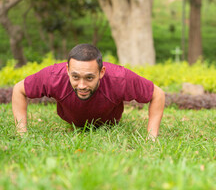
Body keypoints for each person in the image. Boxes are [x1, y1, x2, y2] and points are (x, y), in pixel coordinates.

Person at [12, 44, 165, 139]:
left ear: (102, 72)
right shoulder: (53, 76)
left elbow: (157, 94)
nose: (82, 85)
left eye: (89, 78)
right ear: (67, 70)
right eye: (75, 77)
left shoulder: (120, 78)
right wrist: (21, 133)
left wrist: (151, 137)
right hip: (72, 122)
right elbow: (19, 89)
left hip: (109, 124)